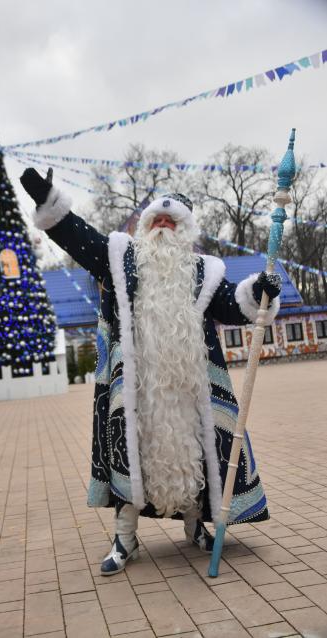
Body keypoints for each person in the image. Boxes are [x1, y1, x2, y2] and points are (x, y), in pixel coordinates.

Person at [20, 167, 282, 576]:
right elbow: (79, 239)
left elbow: (236, 307)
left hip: (190, 386)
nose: (162, 227)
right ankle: (125, 538)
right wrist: (48, 201)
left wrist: (260, 290)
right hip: (137, 386)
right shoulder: (121, 257)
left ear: (184, 229)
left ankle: (196, 528)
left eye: (170, 221)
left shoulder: (204, 271)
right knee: (131, 454)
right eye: (156, 221)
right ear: (145, 226)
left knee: (194, 455)